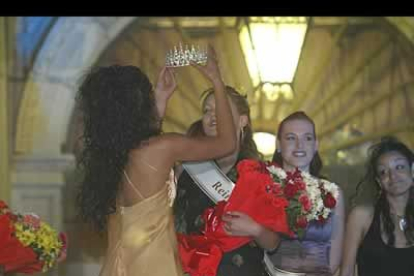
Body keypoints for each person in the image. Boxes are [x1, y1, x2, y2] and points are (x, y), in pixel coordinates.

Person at [76, 46, 237, 276]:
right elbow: (227, 143)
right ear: (138, 105)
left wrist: (161, 98)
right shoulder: (162, 148)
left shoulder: (111, 159)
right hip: (155, 266)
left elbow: (145, 144)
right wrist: (217, 81)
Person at [173, 86, 274, 276]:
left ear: (242, 120)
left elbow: (273, 242)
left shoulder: (260, 174)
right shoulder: (187, 172)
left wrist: (255, 229)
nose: (213, 115)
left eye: (221, 108)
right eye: (207, 111)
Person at [260, 111, 345, 276]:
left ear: (316, 145)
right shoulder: (264, 189)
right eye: (291, 138)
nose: (300, 145)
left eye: (307, 138)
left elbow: (335, 256)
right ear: (278, 144)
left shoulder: (334, 194)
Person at [340, 136, 414, 276]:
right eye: (383, 172)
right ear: (379, 182)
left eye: (399, 167)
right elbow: (346, 271)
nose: (393, 176)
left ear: (412, 171)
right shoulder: (362, 216)